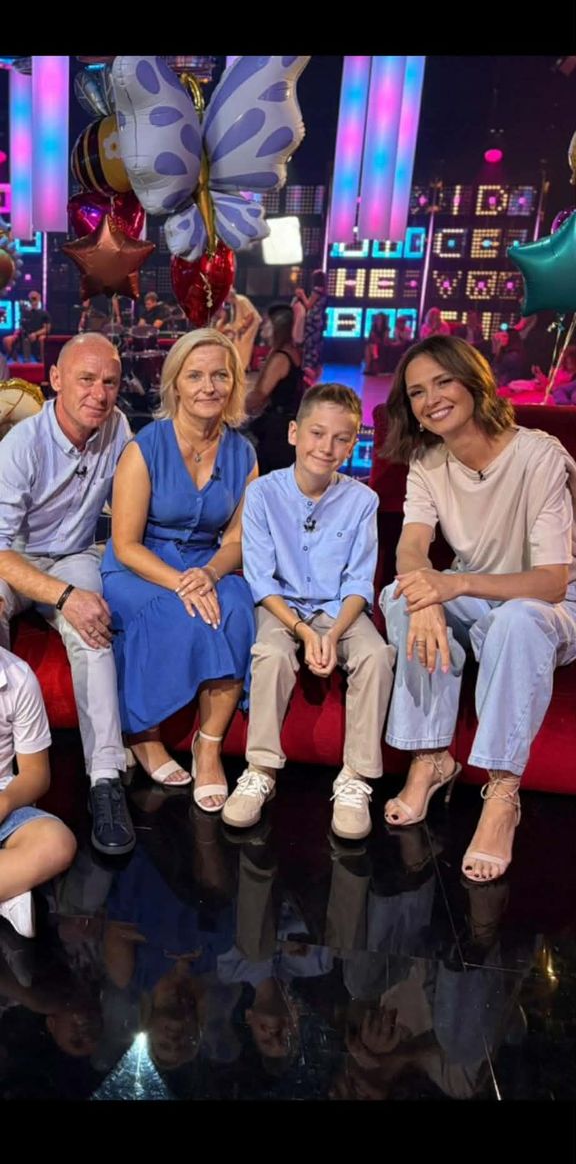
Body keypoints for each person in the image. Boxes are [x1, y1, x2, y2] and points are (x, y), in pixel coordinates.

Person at [380, 334, 576, 883]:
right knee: (399, 597)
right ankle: (430, 757)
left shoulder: (538, 455)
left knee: (517, 619)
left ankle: (503, 795)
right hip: (473, 595)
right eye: (417, 392)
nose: (431, 400)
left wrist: (450, 583)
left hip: (547, 604)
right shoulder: (427, 460)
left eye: (443, 382)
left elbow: (551, 581)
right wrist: (424, 595)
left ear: (473, 382)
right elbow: (411, 548)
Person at [223, 383, 395, 840]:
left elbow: (359, 582)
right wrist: (301, 629)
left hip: (339, 609)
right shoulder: (262, 493)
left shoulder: (363, 501)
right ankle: (261, 769)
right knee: (271, 653)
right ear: (294, 433)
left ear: (354, 444)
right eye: (317, 434)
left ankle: (356, 777)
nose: (327, 447)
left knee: (376, 655)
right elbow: (261, 579)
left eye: (341, 438)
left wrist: (333, 634)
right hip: (282, 607)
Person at [101, 328, 257, 804]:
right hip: (141, 566)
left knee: (237, 605)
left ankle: (207, 746)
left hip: (206, 563)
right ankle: (142, 734)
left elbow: (237, 539)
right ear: (175, 385)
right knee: (175, 611)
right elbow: (125, 544)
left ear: (233, 384)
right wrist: (181, 584)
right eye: (195, 376)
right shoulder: (144, 448)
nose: (208, 387)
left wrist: (208, 575)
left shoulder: (244, 453)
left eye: (219, 376)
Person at [0, 333, 135, 857]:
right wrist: (62, 596)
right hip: (15, 557)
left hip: (76, 553)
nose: (99, 394)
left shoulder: (117, 427)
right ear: (55, 380)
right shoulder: (21, 445)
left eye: (110, 382)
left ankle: (105, 779)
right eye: (86, 379)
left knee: (93, 626)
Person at [0, 621, 76, 939]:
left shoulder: (17, 677)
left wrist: (4, 802)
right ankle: (11, 887)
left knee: (56, 842)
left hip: (3, 793)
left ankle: (10, 882)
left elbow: (36, 774)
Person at [244, 303, 304, 474]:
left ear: (277, 326)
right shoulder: (290, 350)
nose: (262, 326)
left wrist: (232, 404)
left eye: (267, 322)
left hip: (277, 430)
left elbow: (258, 397)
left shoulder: (280, 358)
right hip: (286, 423)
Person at [214, 289, 262, 372]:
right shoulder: (233, 302)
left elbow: (250, 316)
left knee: (243, 345)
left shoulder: (241, 300)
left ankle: (242, 367)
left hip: (250, 324)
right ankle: (239, 366)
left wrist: (242, 329)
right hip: (241, 324)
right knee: (237, 344)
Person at [3, 292, 51, 363]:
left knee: (42, 339)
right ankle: (17, 363)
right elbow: (21, 326)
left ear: (38, 299)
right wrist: (16, 333)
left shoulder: (44, 313)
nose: (32, 301)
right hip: (24, 335)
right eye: (30, 299)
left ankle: (42, 363)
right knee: (7, 340)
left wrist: (35, 334)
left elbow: (47, 329)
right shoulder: (25, 313)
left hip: (37, 336)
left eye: (34, 299)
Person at [299, 270, 327, 381]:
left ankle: (309, 369)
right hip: (320, 321)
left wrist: (302, 295)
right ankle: (315, 370)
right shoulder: (325, 292)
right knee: (316, 345)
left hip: (313, 322)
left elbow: (308, 305)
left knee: (310, 345)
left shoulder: (316, 291)